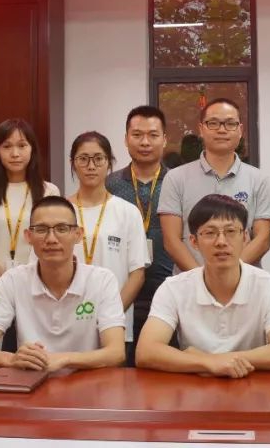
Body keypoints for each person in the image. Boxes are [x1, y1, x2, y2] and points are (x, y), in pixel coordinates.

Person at [136, 194, 270, 377]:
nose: (221, 242)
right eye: (210, 233)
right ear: (194, 241)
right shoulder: (173, 288)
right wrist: (209, 363)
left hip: (252, 385)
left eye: (230, 231)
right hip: (195, 389)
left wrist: (216, 360)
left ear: (245, 237)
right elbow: (146, 351)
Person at [0, 196, 126, 371]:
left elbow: (116, 352)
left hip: (87, 381)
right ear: (28, 236)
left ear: (78, 235)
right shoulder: (13, 280)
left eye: (62, 229)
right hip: (32, 379)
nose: (51, 239)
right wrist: (12, 359)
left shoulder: (102, 280)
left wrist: (65, 359)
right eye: (41, 229)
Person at [158, 98, 270, 274]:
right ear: (201, 129)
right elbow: (171, 240)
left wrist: (229, 275)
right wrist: (203, 279)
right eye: (213, 123)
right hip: (190, 283)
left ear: (240, 130)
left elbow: (262, 240)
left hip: (244, 282)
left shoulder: (259, 180)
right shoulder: (175, 178)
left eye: (230, 123)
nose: (222, 130)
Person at [0, 119, 59, 328]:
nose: (15, 153)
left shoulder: (49, 191)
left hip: (35, 286)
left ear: (32, 149)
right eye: (7, 146)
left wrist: (24, 282)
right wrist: (8, 280)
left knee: (33, 346)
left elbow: (51, 243)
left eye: (22, 145)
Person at [66, 132, 149, 357]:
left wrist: (109, 316)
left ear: (109, 163)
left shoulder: (128, 212)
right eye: (83, 159)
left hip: (114, 326)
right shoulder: (60, 210)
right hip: (65, 325)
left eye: (98, 158)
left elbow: (137, 273)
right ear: (72, 163)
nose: (91, 166)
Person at [106, 106, 173, 355]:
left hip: (169, 287)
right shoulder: (108, 184)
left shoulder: (177, 182)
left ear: (164, 139)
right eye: (137, 135)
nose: (145, 142)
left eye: (153, 135)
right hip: (121, 288)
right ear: (126, 139)